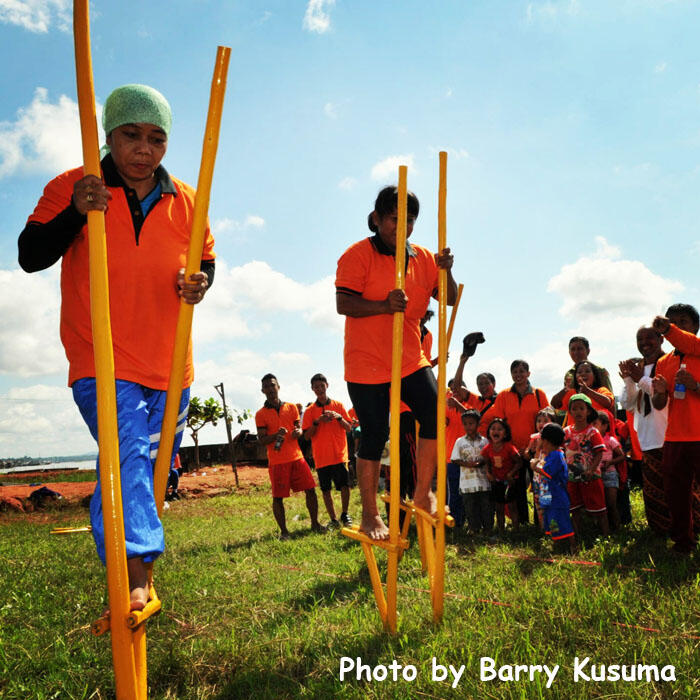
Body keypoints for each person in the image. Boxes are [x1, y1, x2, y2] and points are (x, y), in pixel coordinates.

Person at [18, 84, 214, 611]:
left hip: (173, 364)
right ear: (109, 136)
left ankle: (130, 560)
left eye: (156, 138)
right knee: (126, 458)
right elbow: (30, 255)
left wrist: (201, 281)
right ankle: (136, 575)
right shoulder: (72, 185)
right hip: (100, 357)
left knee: (149, 474)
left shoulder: (189, 200)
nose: (143, 148)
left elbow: (206, 259)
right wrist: (76, 213)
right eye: (131, 135)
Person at [335, 185, 458, 539]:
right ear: (376, 219)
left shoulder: (422, 257)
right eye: (394, 219)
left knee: (435, 412)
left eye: (409, 221)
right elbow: (345, 304)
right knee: (373, 434)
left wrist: (446, 269)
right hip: (366, 363)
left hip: (408, 358)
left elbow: (448, 298)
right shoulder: (357, 255)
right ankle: (371, 515)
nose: (400, 227)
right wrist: (383, 305)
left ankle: (423, 493)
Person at [618, 326, 692, 535]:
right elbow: (628, 403)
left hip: (672, 436)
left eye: (650, 337)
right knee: (655, 490)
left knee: (680, 489)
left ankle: (687, 531)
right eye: (639, 338)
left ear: (661, 339)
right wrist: (628, 380)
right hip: (648, 439)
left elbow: (666, 397)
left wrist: (641, 378)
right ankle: (661, 531)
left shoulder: (668, 362)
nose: (645, 342)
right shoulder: (638, 367)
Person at [651, 304, 700, 553]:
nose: (677, 328)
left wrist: (695, 386)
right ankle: (683, 543)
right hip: (675, 437)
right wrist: (659, 393)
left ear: (696, 327)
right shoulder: (663, 362)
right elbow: (660, 404)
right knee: (676, 495)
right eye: (673, 323)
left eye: (684, 322)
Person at [255, 374, 326, 539]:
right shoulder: (261, 414)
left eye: (273, 385)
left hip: (297, 457)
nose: (270, 389)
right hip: (278, 461)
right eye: (266, 386)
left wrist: (298, 432)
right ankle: (284, 532)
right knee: (278, 497)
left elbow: (298, 430)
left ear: (278, 387)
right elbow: (262, 439)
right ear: (262, 391)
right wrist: (275, 436)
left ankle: (315, 524)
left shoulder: (292, 407)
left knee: (311, 490)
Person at [481, 359, 549, 524]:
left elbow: (548, 419)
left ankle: (541, 522)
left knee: (540, 485)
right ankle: (523, 522)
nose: (518, 375)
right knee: (517, 488)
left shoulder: (539, 393)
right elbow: (491, 417)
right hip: (513, 451)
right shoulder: (504, 395)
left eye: (521, 371)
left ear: (528, 373)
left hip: (536, 449)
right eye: (515, 372)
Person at [301, 373, 354, 528]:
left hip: (339, 455)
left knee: (344, 486)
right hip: (322, 457)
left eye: (321, 386)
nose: (319, 389)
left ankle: (345, 514)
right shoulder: (310, 411)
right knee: (325, 490)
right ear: (312, 389)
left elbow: (349, 427)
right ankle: (333, 519)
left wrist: (339, 417)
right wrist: (317, 422)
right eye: (316, 387)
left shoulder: (338, 405)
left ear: (327, 385)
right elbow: (306, 436)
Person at [563, 393, 608, 538]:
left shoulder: (592, 432)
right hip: (572, 477)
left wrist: (591, 469)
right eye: (574, 409)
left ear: (588, 411)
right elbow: (561, 452)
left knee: (599, 509)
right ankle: (577, 537)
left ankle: (606, 536)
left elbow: (599, 453)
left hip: (591, 477)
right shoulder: (565, 432)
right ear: (570, 411)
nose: (578, 412)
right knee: (574, 509)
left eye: (581, 408)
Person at [532, 423, 576, 554]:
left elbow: (547, 472)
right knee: (553, 521)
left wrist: (535, 467)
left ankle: (572, 546)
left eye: (541, 440)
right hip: (550, 497)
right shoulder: (552, 454)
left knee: (562, 521)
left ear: (546, 441)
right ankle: (558, 544)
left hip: (557, 498)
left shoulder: (556, 455)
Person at [451, 410, 492, 533]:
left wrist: (481, 463)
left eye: (471, 423)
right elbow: (454, 459)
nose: (468, 427)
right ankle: (474, 529)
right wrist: (467, 464)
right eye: (465, 424)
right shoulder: (460, 442)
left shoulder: (484, 441)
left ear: (478, 424)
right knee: (470, 507)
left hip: (483, 481)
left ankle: (488, 529)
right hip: (467, 483)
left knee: (485, 506)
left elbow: (488, 457)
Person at [482, 417, 522, 533]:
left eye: (500, 429)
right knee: (499, 508)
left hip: (510, 482)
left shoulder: (510, 447)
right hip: (497, 482)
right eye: (493, 429)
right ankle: (501, 532)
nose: (496, 431)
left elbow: (519, 462)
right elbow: (486, 463)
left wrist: (511, 474)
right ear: (489, 433)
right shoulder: (487, 449)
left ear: (505, 434)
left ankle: (516, 531)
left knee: (512, 506)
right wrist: (488, 473)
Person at [526, 407, 557, 531]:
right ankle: (543, 529)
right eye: (539, 421)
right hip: (537, 477)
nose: (541, 423)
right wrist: (529, 451)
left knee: (550, 502)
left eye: (545, 420)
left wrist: (539, 448)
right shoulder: (534, 438)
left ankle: (553, 529)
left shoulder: (555, 439)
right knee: (539, 503)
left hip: (549, 476)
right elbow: (528, 454)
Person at [593, 411, 625, 532]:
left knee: (611, 503)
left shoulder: (610, 440)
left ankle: (617, 528)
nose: (593, 426)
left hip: (610, 474)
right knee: (600, 505)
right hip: (597, 475)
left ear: (605, 426)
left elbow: (622, 456)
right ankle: (603, 529)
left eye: (596, 424)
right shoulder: (592, 440)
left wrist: (610, 462)